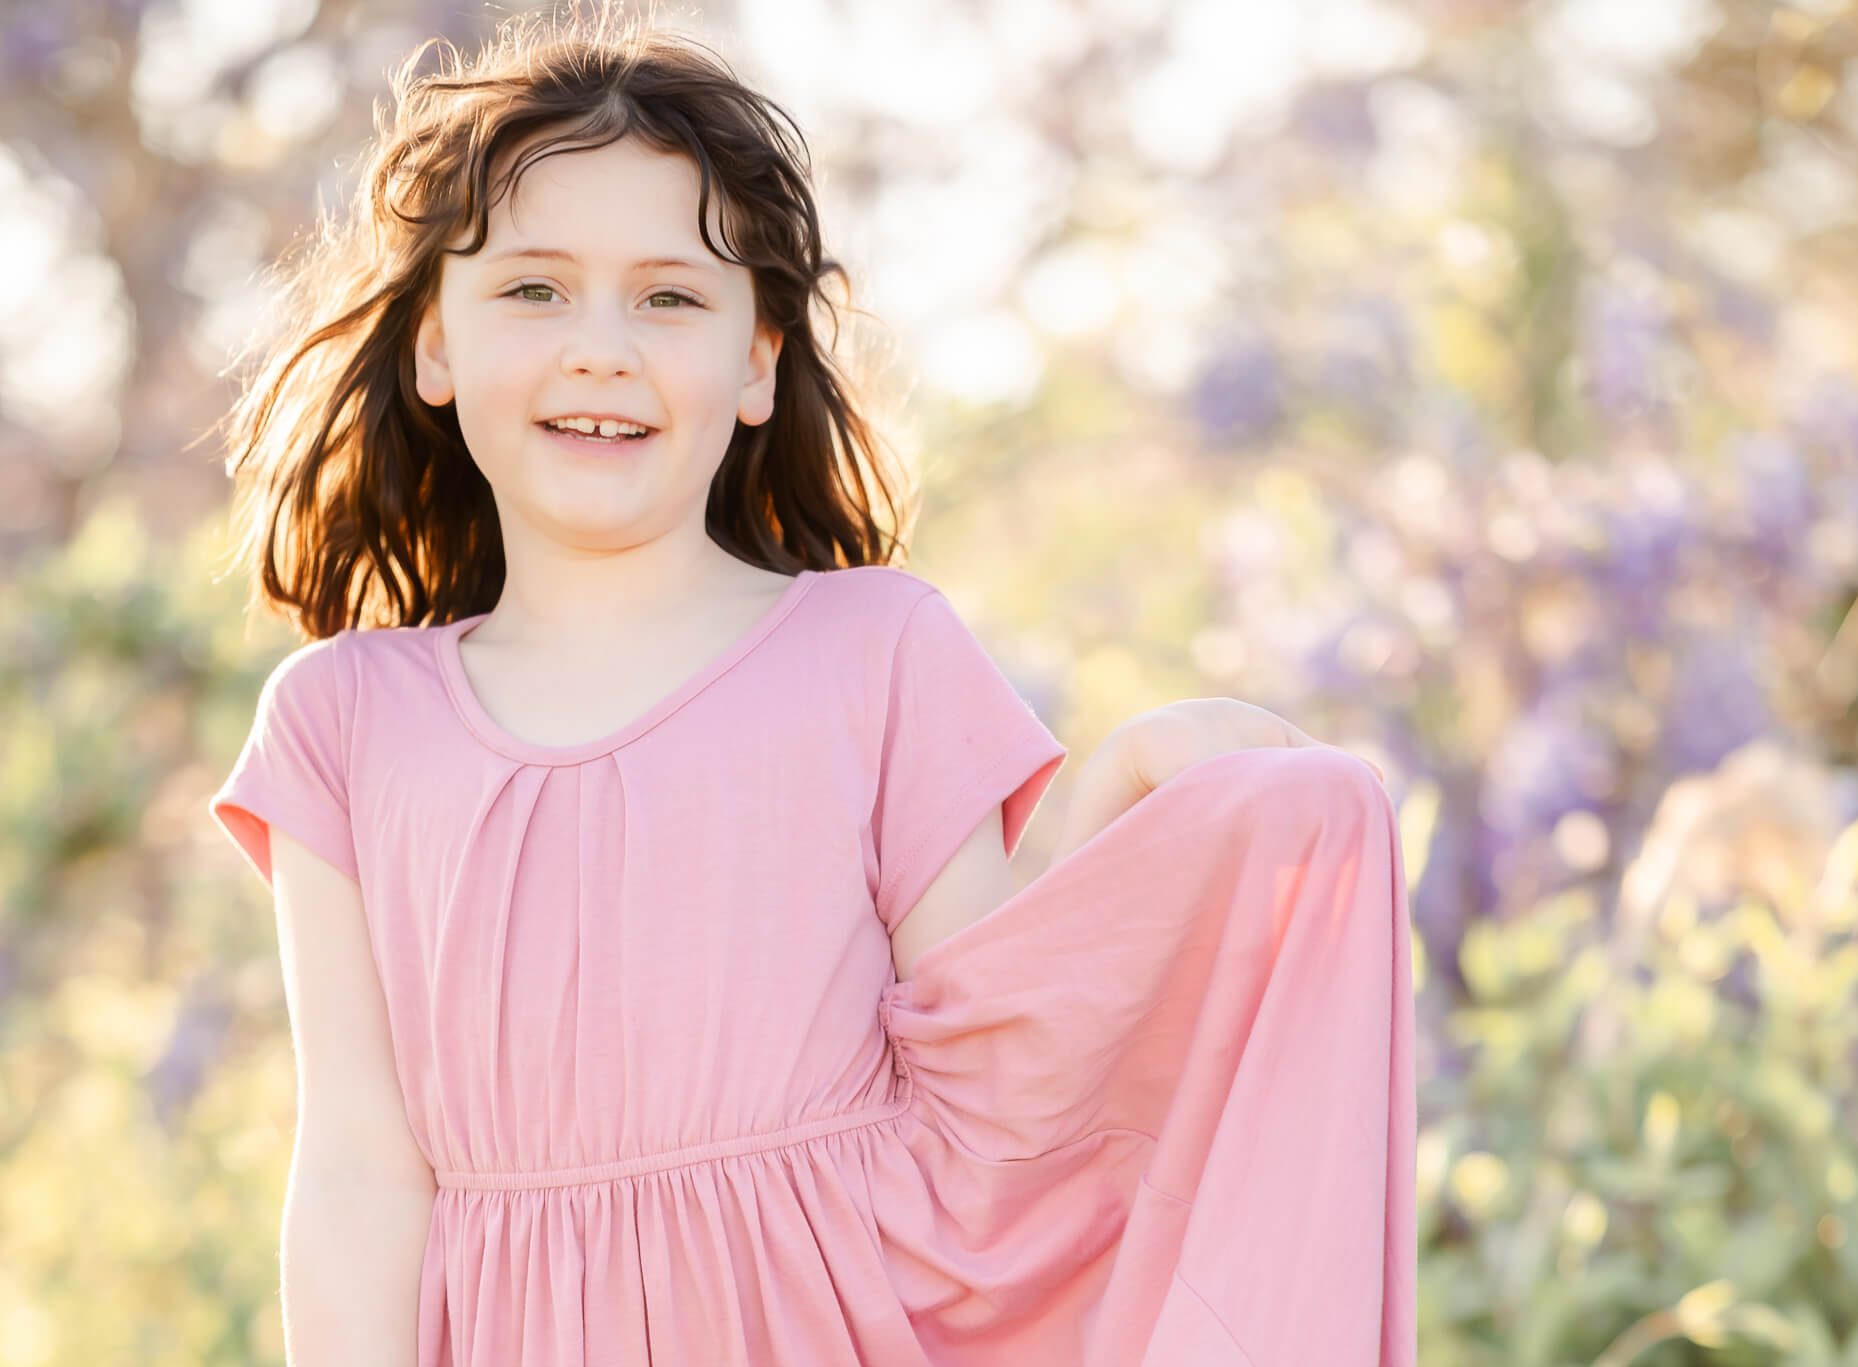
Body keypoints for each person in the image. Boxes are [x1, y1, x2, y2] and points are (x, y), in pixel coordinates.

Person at [205, 12, 1416, 1366]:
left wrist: (1123, 786)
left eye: (670, 296)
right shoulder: (342, 723)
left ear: (758, 363)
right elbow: (362, 1169)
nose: (600, 346)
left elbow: (1003, 1085)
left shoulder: (874, 654)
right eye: (533, 289)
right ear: (435, 346)